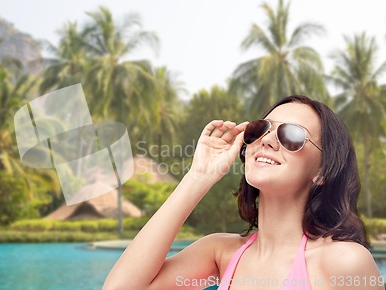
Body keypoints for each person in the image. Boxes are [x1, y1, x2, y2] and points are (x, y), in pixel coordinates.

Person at [103, 95, 383, 290]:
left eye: (292, 136)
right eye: (260, 129)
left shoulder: (343, 262)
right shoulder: (220, 254)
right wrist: (199, 177)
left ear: (322, 171)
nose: (268, 141)